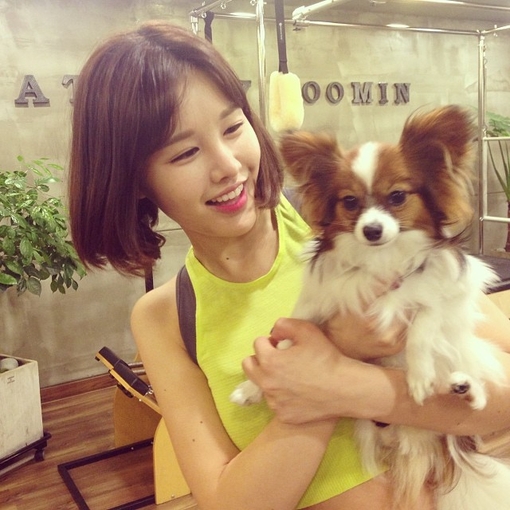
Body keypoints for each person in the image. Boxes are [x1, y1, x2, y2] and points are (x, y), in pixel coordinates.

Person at [68, 21, 510, 510]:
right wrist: (330, 365)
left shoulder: (342, 231)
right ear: (133, 181)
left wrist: (342, 381)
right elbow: (229, 505)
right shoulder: (166, 317)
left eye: (233, 127)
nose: (228, 165)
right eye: (185, 152)